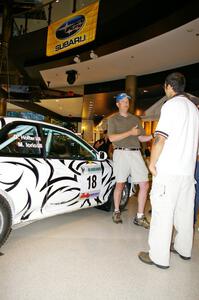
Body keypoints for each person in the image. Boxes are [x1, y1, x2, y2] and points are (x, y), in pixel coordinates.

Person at [138, 72, 199, 269]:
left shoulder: (171, 105)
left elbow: (160, 138)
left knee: (162, 214)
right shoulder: (194, 108)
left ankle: (158, 257)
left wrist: (152, 163)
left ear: (168, 86)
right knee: (185, 213)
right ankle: (184, 249)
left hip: (169, 170)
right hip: (188, 171)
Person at [107, 92, 153, 226]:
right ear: (118, 104)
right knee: (120, 184)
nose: (126, 103)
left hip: (136, 153)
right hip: (121, 153)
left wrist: (153, 135)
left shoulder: (135, 119)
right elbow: (112, 138)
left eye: (127, 101)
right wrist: (130, 132)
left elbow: (141, 138)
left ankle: (139, 216)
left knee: (145, 184)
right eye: (123, 101)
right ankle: (116, 211)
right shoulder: (113, 119)